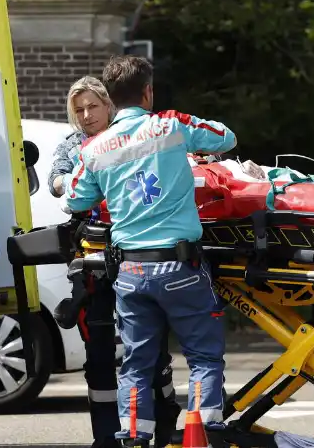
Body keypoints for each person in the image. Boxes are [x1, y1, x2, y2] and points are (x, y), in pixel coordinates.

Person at [64, 55, 236, 446]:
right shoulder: (170, 124)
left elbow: (74, 199)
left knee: (136, 365)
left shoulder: (93, 149)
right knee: (203, 357)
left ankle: (134, 438)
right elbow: (225, 137)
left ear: (110, 98)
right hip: (180, 268)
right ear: (147, 91)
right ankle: (205, 433)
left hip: (131, 273)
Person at [48, 75, 181, 448]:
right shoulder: (74, 145)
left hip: (138, 252)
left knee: (150, 349)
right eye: (79, 110)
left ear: (109, 104)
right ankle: (106, 437)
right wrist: (80, 180)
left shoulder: (134, 134)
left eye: (93, 106)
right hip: (93, 259)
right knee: (100, 353)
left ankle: (163, 424)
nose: (87, 115)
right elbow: (57, 182)